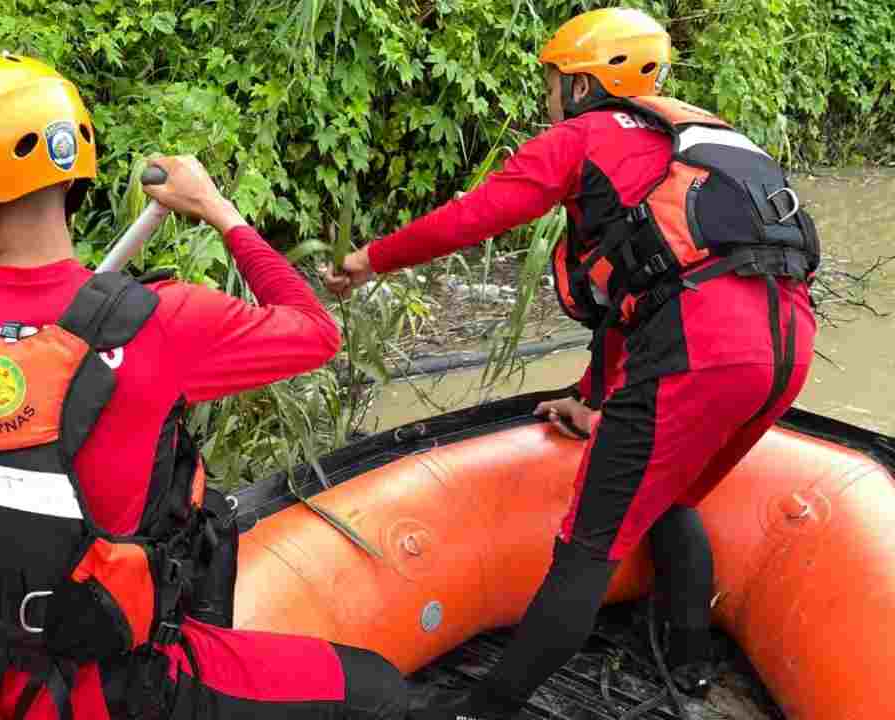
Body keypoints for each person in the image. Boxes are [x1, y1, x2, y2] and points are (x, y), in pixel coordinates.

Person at [0, 53, 408, 720]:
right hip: (141, 694)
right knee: (380, 692)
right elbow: (315, 330)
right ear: (74, 181)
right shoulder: (163, 321)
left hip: (3, 686)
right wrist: (218, 210)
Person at [325, 8, 819, 719]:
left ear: (586, 85)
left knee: (587, 544)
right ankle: (692, 672)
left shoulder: (584, 139)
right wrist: (594, 397)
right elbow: (649, 289)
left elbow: (477, 216)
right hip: (785, 346)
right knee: (671, 496)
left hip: (699, 352)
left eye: (555, 80)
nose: (549, 96)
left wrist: (371, 260)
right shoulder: (694, 141)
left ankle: (482, 710)